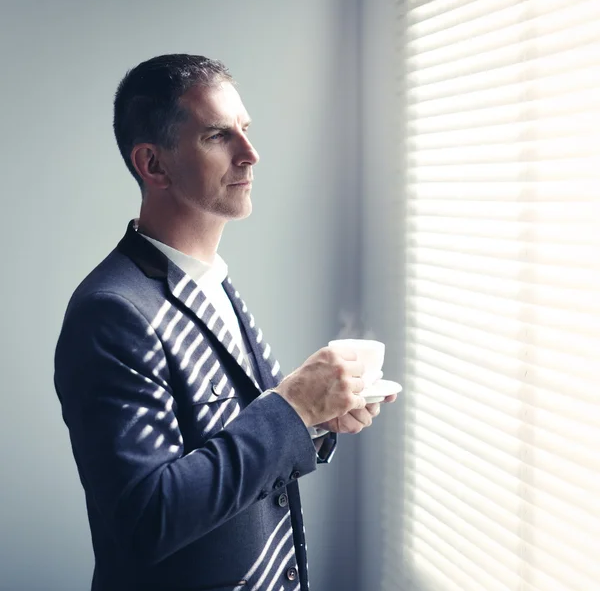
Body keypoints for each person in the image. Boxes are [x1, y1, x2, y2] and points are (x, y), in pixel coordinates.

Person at [54, 54, 396, 591]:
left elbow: (236, 438)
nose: (250, 154)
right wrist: (294, 407)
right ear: (154, 164)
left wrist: (315, 418)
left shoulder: (211, 280)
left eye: (245, 129)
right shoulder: (112, 312)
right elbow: (146, 517)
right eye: (218, 136)